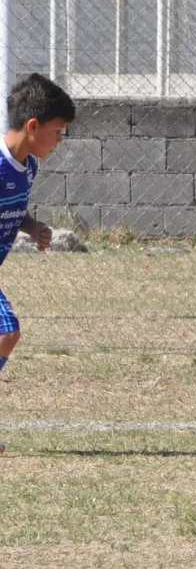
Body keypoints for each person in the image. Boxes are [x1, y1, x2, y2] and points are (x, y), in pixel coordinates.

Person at [0, 74, 75, 451]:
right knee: (6, 333)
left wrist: (31, 226)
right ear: (33, 126)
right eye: (58, 131)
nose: (60, 141)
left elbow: (12, 209)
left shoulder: (26, 167)